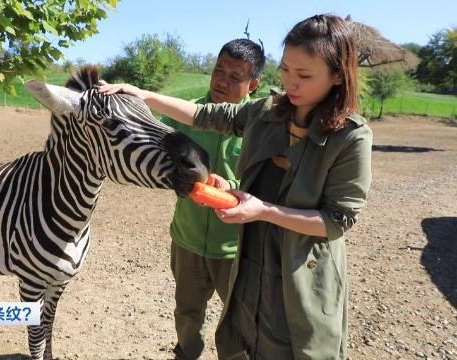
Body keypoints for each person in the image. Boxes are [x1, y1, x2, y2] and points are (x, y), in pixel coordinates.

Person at [100, 14, 372, 359]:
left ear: (337, 76)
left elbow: (337, 220)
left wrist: (262, 211)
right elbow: (208, 116)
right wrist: (143, 95)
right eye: (286, 69)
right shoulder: (268, 112)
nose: (291, 82)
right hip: (249, 257)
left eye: (304, 75)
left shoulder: (350, 137)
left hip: (298, 270)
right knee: (241, 341)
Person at [161, 38, 264, 360]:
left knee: (237, 325)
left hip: (236, 249)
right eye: (219, 71)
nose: (222, 81)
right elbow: (153, 152)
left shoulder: (263, 127)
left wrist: (229, 186)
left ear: (253, 84)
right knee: (187, 315)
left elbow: (268, 185)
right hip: (187, 240)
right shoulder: (185, 114)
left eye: (235, 77)